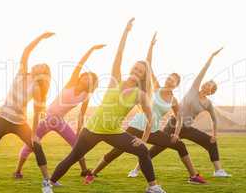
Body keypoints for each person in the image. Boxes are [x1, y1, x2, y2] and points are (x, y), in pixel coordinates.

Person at [50, 18, 166, 193]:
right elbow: (118, 55)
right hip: (92, 129)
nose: (136, 71)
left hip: (113, 132)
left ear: (143, 76)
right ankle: (49, 183)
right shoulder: (115, 80)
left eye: (141, 71)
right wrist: (126, 32)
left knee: (142, 150)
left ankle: (152, 187)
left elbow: (150, 117)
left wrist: (143, 138)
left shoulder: (140, 95)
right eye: (135, 68)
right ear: (131, 68)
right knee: (74, 156)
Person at [85, 33, 206, 185]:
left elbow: (179, 117)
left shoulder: (174, 100)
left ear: (176, 85)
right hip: (136, 126)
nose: (169, 81)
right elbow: (148, 63)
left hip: (152, 131)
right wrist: (151, 46)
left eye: (173, 81)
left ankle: (193, 176)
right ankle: (93, 173)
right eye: (169, 78)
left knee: (180, 145)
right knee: (116, 151)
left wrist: (176, 133)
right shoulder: (154, 86)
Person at [0, 32, 56, 193]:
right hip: (2, 118)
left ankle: (46, 182)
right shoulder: (22, 73)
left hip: (20, 123)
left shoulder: (35, 88)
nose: (37, 64)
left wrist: (34, 134)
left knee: (37, 147)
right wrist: (41, 37)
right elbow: (27, 50)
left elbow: (35, 113)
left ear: (42, 73)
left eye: (41, 65)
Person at [13, 44, 105, 182]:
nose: (87, 79)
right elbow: (80, 64)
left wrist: (79, 129)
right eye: (86, 77)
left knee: (77, 144)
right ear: (81, 77)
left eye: (90, 80)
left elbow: (81, 114)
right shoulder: (71, 82)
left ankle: (84, 170)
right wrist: (91, 50)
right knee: (32, 144)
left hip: (60, 121)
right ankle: (18, 171)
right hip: (47, 118)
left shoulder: (86, 96)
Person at [151, 47, 231, 177]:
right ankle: (137, 168)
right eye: (206, 83)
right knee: (159, 146)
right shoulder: (194, 89)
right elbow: (203, 71)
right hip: (174, 123)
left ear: (211, 91)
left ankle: (218, 171)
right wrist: (211, 56)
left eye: (209, 85)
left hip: (187, 128)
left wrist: (214, 134)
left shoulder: (208, 103)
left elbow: (214, 120)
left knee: (211, 142)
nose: (206, 85)